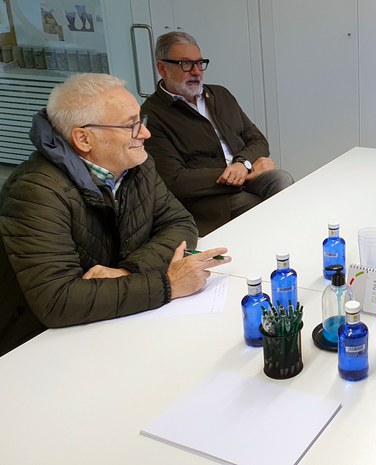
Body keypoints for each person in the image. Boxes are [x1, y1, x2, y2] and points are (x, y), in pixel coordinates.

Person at [0, 73, 230, 357]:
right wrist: (168, 284)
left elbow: (179, 222)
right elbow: (57, 300)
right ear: (84, 138)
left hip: (114, 320)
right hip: (36, 347)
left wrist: (128, 271)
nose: (145, 134)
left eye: (141, 121)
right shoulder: (36, 192)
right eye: (131, 125)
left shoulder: (137, 164)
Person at [141, 31, 294, 236]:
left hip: (244, 174)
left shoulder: (220, 94)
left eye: (199, 63)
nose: (196, 71)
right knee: (257, 208)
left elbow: (258, 140)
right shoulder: (152, 115)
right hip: (209, 197)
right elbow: (175, 179)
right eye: (186, 64)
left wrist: (243, 164)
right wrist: (239, 175)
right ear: (162, 68)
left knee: (282, 180)